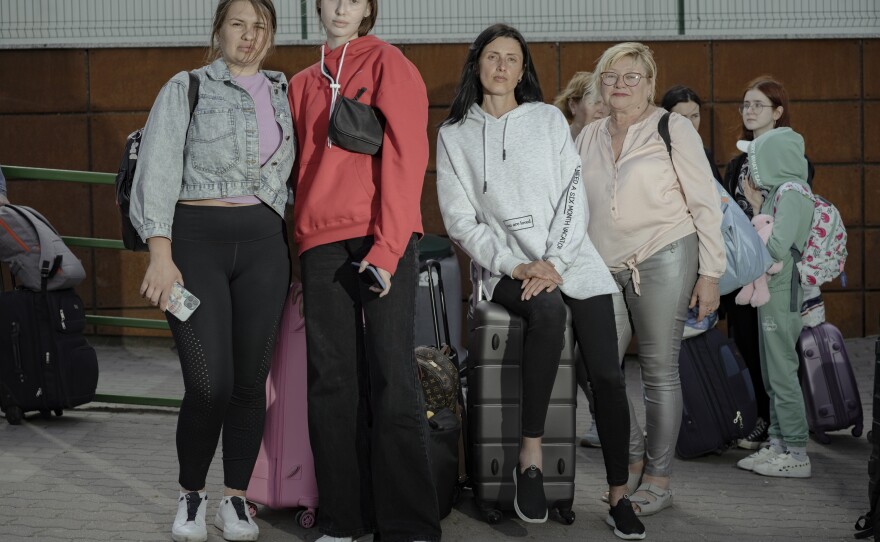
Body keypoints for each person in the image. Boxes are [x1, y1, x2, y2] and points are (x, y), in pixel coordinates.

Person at [437, 24, 645, 540]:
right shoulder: (454, 135)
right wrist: (517, 265)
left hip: (572, 259)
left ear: (523, 68)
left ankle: (620, 495)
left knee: (608, 377)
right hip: (505, 269)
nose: (502, 66)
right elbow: (462, 222)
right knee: (548, 311)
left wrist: (553, 259)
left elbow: (574, 193)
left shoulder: (549, 120)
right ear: (477, 65)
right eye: (492, 56)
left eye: (513, 58)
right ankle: (530, 457)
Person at [130, 1, 293, 540]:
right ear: (219, 31)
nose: (249, 36)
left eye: (260, 26)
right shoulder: (187, 87)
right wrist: (160, 251)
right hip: (196, 242)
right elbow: (156, 168)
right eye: (238, 25)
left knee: (249, 383)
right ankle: (192, 496)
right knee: (208, 383)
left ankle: (237, 500)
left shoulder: (283, 92)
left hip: (266, 245)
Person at [287, 1, 440, 541]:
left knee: (392, 378)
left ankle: (408, 524)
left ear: (369, 9)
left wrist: (389, 247)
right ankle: (342, 520)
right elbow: (299, 174)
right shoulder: (301, 81)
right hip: (321, 242)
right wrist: (300, 252)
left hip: (382, 237)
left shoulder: (388, 63)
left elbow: (406, 157)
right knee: (331, 385)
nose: (341, 6)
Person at [576, 42, 726, 516]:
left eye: (631, 77)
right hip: (603, 266)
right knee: (593, 367)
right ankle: (634, 456)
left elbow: (705, 201)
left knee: (659, 373)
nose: (620, 85)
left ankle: (659, 481)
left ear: (648, 84)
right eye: (611, 76)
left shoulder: (671, 127)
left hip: (665, 254)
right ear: (600, 83)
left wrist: (711, 274)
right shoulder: (589, 134)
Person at [720, 76, 815, 450]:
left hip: (775, 278)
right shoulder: (738, 164)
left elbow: (783, 233)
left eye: (759, 104)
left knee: (777, 360)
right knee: (750, 349)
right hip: (746, 275)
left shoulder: (791, 168)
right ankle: (769, 427)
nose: (750, 111)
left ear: (778, 112)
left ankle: (786, 436)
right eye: (746, 104)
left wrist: (758, 209)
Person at [733, 127, 814, 478]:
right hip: (773, 289)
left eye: (756, 158)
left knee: (782, 372)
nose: (751, 167)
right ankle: (779, 443)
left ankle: (797, 450)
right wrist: (756, 206)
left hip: (783, 291)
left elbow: (777, 247)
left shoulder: (794, 192)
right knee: (772, 373)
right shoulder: (779, 192)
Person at [554, 70, 610, 449]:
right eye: (594, 100)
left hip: (596, 257)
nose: (602, 108)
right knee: (561, 351)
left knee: (595, 355)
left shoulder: (607, 141)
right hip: (558, 258)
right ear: (574, 104)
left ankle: (600, 420)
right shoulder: (555, 141)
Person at [660, 85, 723, 183]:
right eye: (682, 117)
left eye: (695, 116)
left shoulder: (704, 153)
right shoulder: (657, 153)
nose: (689, 123)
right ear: (666, 119)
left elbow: (720, 194)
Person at [554, 71, 609, 140]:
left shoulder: (613, 144)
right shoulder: (557, 143)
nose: (602, 110)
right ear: (573, 105)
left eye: (606, 104)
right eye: (595, 102)